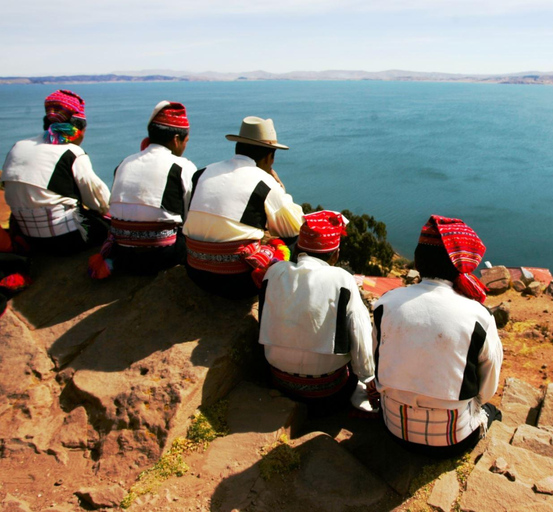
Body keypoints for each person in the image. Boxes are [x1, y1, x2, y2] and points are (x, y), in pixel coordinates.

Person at [370, 215, 503, 457]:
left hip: (393, 428)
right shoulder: (478, 315)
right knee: (493, 411)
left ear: (418, 261)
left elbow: (377, 360)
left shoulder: (385, 303)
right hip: (452, 441)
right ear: (461, 265)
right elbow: (487, 387)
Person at [258, 210, 376, 414]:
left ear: (299, 248)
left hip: (279, 381)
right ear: (335, 254)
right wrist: (368, 378)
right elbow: (359, 332)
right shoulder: (342, 280)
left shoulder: (274, 272)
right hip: (329, 392)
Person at [182, 116, 303, 298]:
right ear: (269, 157)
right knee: (296, 240)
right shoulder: (264, 183)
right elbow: (293, 227)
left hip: (194, 272)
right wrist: (279, 187)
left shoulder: (201, 173)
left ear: (238, 147)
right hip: (238, 282)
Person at [88, 101, 195, 277]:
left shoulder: (125, 163)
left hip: (122, 255)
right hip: (163, 256)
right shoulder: (181, 166)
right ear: (176, 139)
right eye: (186, 141)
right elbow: (189, 217)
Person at [1, 90, 110, 254]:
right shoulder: (71, 153)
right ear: (79, 129)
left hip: (26, 238)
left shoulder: (18, 146)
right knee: (109, 229)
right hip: (66, 240)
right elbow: (98, 200)